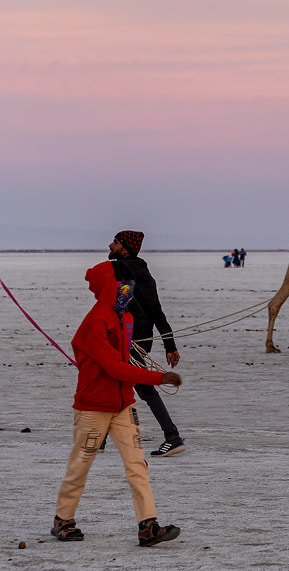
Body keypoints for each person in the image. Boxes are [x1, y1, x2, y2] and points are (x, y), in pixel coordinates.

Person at [52, 260, 182, 546]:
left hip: (124, 406)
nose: (129, 289)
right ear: (110, 286)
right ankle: (63, 520)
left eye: (131, 284)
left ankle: (148, 526)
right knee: (81, 463)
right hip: (93, 408)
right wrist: (160, 377)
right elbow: (115, 367)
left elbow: (123, 363)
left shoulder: (126, 319)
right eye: (124, 283)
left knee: (138, 464)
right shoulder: (95, 323)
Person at [107, 230, 187, 457]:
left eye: (115, 242)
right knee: (116, 383)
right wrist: (169, 345)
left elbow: (117, 305)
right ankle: (100, 440)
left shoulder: (120, 270)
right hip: (142, 340)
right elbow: (157, 312)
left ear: (125, 248)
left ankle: (173, 437)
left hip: (129, 341)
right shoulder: (144, 272)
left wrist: (170, 345)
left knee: (140, 386)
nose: (110, 245)